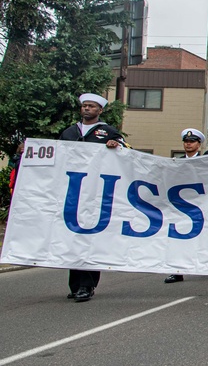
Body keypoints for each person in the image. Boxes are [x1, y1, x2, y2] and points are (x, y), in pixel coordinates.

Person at [58, 93, 126, 302]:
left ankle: (87, 285)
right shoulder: (69, 132)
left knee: (89, 238)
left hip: (97, 193)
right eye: (84, 106)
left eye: (91, 106)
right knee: (74, 237)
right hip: (73, 192)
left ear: (100, 110)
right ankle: (75, 284)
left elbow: (126, 156)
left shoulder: (108, 132)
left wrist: (116, 146)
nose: (87, 109)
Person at [164, 128, 206, 284]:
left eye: (192, 142)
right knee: (178, 237)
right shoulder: (177, 162)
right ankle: (177, 270)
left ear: (199, 145)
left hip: (201, 204)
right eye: (186, 142)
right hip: (180, 205)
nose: (188, 144)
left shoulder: (207, 161)